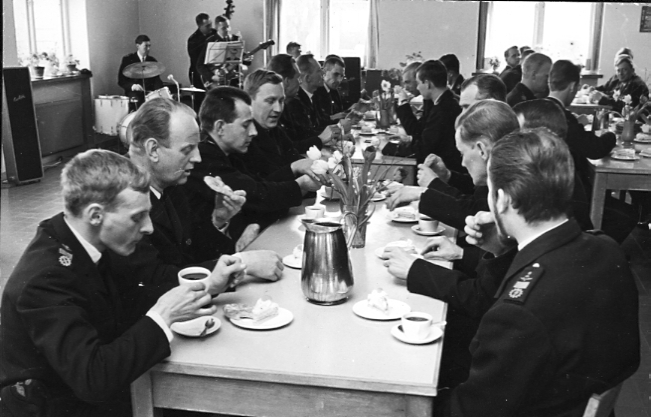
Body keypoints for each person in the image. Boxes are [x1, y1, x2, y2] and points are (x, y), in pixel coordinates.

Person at [387, 129, 640, 416]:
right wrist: (499, 248)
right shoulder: (607, 248)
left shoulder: (517, 316)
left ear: (502, 200)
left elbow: (467, 411)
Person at [0, 149, 245, 416]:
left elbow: (130, 299)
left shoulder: (84, 240)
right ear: (95, 215)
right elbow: (93, 380)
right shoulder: (44, 280)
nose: (149, 227)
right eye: (137, 217)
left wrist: (208, 287)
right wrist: (163, 316)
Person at [119, 97, 283, 288]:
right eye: (187, 149)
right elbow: (154, 282)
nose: (197, 158)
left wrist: (218, 220)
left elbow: (192, 255)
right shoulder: (120, 198)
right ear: (153, 150)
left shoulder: (172, 183)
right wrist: (241, 264)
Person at [183, 87, 321, 237]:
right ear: (220, 127)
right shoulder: (205, 159)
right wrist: (300, 185)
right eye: (245, 125)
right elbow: (258, 196)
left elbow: (260, 184)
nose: (253, 132)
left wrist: (294, 171)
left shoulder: (229, 153)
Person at [512, 99, 593, 232]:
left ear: (542, 140)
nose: (511, 141)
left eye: (518, 135)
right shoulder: (553, 168)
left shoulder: (550, 181)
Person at [242, 69, 319, 181]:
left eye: (281, 101)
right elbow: (259, 186)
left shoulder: (276, 131)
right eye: (270, 101)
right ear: (249, 101)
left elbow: (294, 158)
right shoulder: (243, 140)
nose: (278, 109)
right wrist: (294, 168)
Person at [395, 60, 463, 168]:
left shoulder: (444, 108)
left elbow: (424, 149)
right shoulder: (442, 101)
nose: (417, 88)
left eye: (418, 83)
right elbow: (423, 134)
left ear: (427, 84)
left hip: (445, 168)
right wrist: (411, 139)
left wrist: (388, 148)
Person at [276, 54, 341, 153]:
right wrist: (321, 139)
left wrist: (334, 134)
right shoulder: (293, 103)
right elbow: (291, 146)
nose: (300, 82)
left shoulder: (312, 96)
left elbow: (308, 131)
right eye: (298, 78)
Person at [195, 15, 248, 89]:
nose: (227, 30)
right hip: (216, 80)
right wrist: (212, 77)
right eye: (223, 28)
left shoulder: (235, 39)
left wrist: (247, 59)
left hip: (232, 80)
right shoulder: (211, 41)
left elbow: (242, 60)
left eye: (228, 27)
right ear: (217, 28)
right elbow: (199, 65)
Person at [117, 34, 164, 105]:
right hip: (134, 94)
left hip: (149, 93)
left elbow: (157, 80)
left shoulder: (152, 61)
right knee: (136, 100)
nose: (148, 49)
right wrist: (133, 86)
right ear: (137, 46)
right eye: (146, 46)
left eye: (149, 46)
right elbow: (121, 80)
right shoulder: (128, 59)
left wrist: (158, 91)